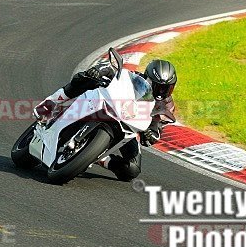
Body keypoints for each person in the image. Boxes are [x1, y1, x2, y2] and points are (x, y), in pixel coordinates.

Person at [35, 58, 177, 181]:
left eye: (167, 89)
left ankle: (99, 157)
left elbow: (156, 127)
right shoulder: (134, 78)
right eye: (158, 86)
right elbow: (112, 70)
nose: (161, 92)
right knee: (85, 79)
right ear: (148, 78)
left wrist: (151, 134)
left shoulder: (167, 106)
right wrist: (99, 71)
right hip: (110, 107)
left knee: (132, 170)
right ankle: (52, 103)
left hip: (129, 128)